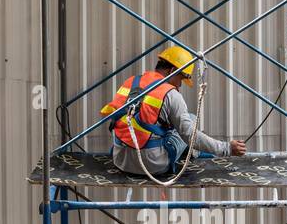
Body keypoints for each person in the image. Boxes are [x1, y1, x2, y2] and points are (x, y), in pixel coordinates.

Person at [100, 43, 247, 178]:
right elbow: (190, 135)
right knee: (191, 119)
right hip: (151, 164)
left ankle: (194, 150)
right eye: (181, 79)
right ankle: (194, 152)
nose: (180, 85)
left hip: (120, 159)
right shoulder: (170, 94)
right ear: (173, 70)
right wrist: (226, 148)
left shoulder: (131, 82)